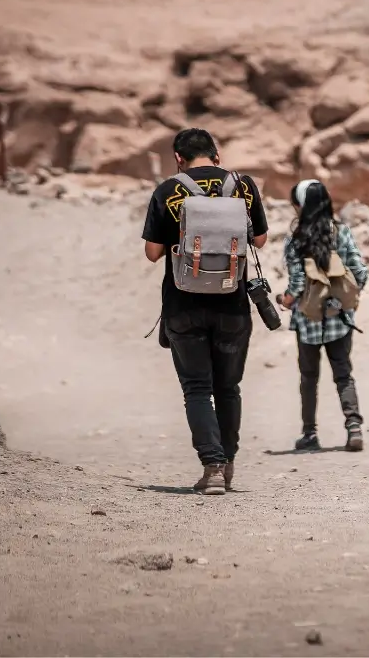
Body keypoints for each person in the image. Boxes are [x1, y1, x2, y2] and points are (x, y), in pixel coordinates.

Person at [141, 127, 269, 495]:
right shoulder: (241, 186)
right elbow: (258, 239)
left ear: (178, 158)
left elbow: (152, 253)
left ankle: (210, 467)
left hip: (184, 306)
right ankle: (228, 462)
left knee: (197, 388)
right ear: (216, 154)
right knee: (228, 387)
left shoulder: (168, 190)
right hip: (232, 303)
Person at [280, 179, 369, 452]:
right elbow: (360, 270)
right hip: (339, 319)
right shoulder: (340, 232)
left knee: (309, 378)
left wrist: (286, 300)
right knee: (343, 374)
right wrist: (345, 299)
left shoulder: (296, 238)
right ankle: (353, 426)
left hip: (308, 320)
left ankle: (310, 434)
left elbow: (296, 283)